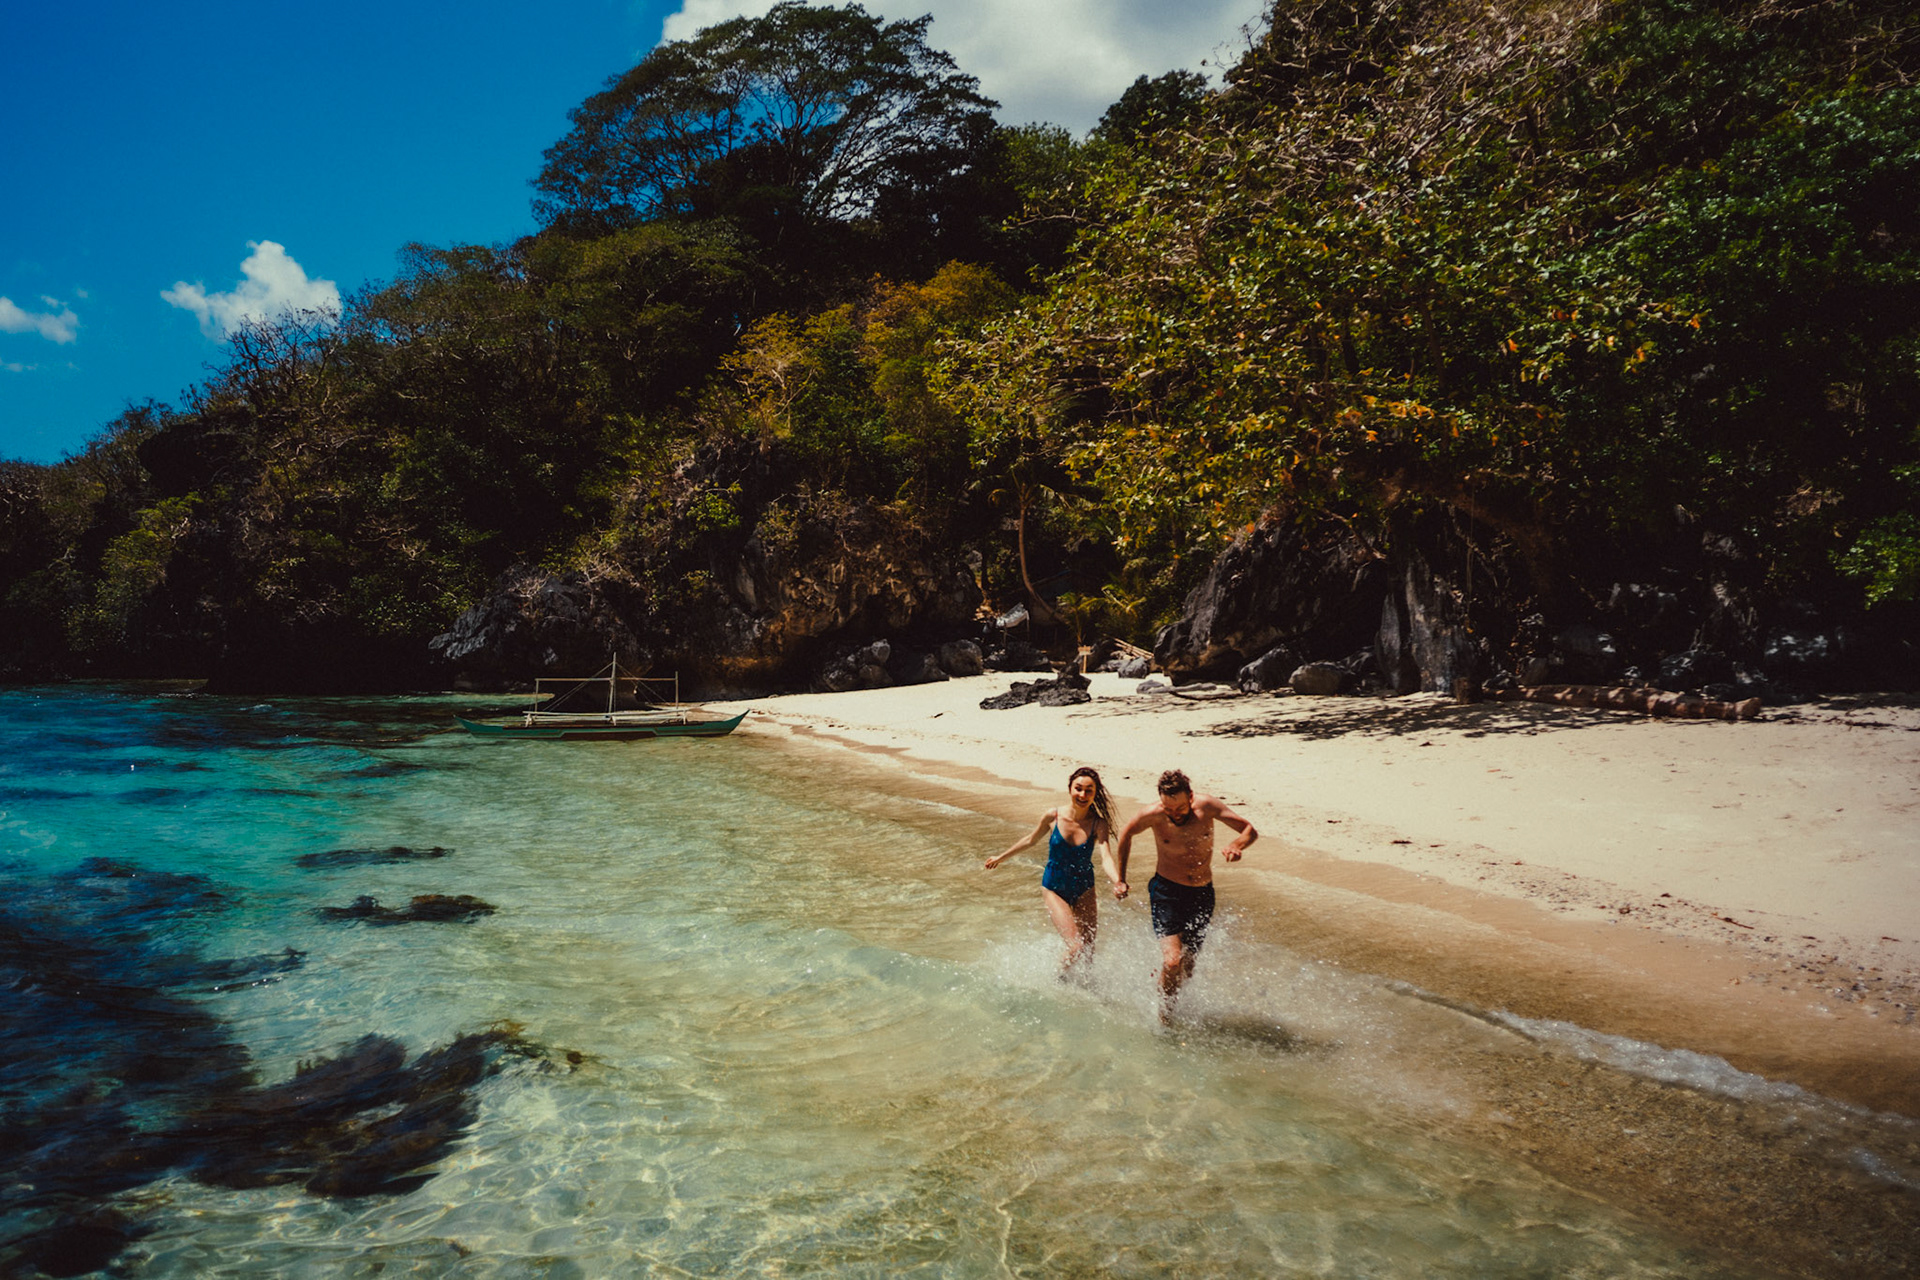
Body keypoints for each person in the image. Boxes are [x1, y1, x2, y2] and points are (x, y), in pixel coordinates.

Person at [1113, 768, 1257, 1019]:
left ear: (1190, 797)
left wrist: (1236, 845)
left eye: (1179, 808)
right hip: (1166, 892)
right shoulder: (1153, 814)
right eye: (1168, 809)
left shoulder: (1208, 806)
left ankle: (1176, 1004)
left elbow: (1249, 830)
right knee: (1172, 961)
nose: (1174, 814)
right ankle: (1164, 1018)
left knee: (1188, 967)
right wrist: (1121, 878)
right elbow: (1125, 834)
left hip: (1202, 894)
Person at [984, 766, 1116, 979]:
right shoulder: (1053, 816)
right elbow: (1030, 840)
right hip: (1054, 888)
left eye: (1088, 790)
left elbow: (1106, 857)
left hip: (1084, 888)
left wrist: (1118, 881)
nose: (1082, 795)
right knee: (1075, 947)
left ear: (1095, 792)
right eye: (1078, 788)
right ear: (1070, 788)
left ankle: (1087, 987)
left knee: (1089, 950)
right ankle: (1057, 983)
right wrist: (1000, 858)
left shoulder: (1098, 824)